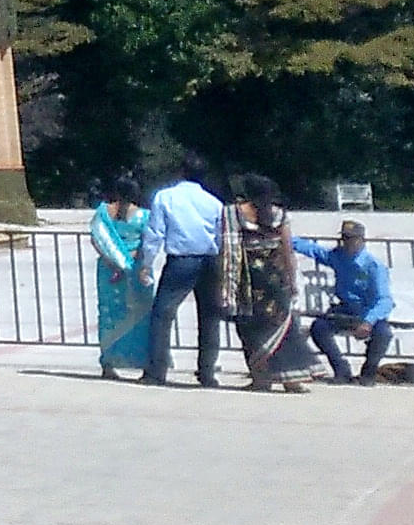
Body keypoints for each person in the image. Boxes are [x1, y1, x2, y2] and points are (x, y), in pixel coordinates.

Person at [139, 167, 227, 386]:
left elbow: (155, 233)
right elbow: (220, 235)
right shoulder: (213, 202)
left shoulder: (165, 197)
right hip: (210, 259)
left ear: (181, 173)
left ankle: (156, 370)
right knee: (209, 317)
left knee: (162, 315)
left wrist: (146, 263)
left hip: (181, 260)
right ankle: (207, 372)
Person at [229, 178, 307, 391]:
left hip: (250, 279)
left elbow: (231, 248)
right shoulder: (280, 215)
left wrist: (227, 285)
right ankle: (292, 379)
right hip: (276, 276)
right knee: (283, 327)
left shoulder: (235, 213)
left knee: (251, 329)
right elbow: (287, 250)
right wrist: (292, 280)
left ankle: (261, 378)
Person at [301, 217, 396, 384]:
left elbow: (385, 300)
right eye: (344, 238)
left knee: (383, 333)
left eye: (351, 238)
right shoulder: (338, 256)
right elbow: (313, 250)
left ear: (361, 240)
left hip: (368, 311)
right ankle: (341, 370)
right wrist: (285, 237)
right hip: (345, 309)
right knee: (319, 327)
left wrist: (368, 321)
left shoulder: (374, 266)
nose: (346, 243)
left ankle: (369, 373)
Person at [88, 177, 154, 379]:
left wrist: (113, 263)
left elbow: (96, 240)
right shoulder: (144, 216)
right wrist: (132, 263)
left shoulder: (102, 213)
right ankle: (144, 364)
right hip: (136, 269)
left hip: (108, 269)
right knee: (141, 316)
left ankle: (108, 364)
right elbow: (147, 243)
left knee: (108, 314)